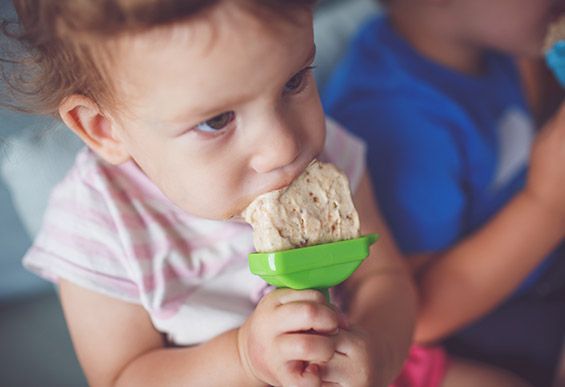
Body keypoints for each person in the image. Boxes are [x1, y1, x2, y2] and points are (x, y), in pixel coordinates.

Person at [1, 1, 422, 386]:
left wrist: (380, 354)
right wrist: (243, 358)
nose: (284, 148)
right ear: (103, 129)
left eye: (293, 81)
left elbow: (384, 279)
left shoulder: (332, 157)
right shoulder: (98, 223)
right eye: (217, 120)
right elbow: (121, 378)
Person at [323, 0, 565, 385]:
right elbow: (421, 314)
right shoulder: (397, 118)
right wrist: (548, 205)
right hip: (475, 322)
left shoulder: (495, 46)